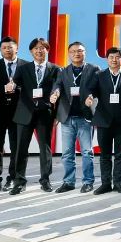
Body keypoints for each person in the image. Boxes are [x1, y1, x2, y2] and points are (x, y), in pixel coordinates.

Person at [9, 38, 59, 195]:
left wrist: (56, 114)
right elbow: (14, 84)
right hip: (25, 113)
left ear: (47, 50)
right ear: (31, 51)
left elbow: (58, 90)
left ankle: (45, 180)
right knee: (21, 149)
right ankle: (19, 182)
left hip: (45, 113)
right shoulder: (23, 68)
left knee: (45, 149)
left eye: (42, 48)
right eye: (36, 48)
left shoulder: (55, 69)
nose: (39, 51)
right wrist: (11, 85)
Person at [50, 42, 98, 193]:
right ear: (69, 54)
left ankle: (88, 182)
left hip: (85, 117)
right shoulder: (63, 71)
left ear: (85, 53)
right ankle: (68, 182)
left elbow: (98, 88)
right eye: (73, 51)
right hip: (67, 118)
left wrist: (92, 96)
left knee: (87, 152)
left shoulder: (94, 69)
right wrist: (55, 93)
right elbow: (57, 85)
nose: (77, 54)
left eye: (80, 51)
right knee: (67, 153)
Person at [89, 46, 121, 195]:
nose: (114, 60)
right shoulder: (99, 75)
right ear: (107, 59)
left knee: (120, 154)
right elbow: (92, 90)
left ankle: (118, 183)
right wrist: (90, 96)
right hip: (103, 120)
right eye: (111, 57)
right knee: (105, 155)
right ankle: (105, 184)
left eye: (117, 57)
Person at [0, 37, 28, 192]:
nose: (8, 50)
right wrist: (2, 89)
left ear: (17, 48)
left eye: (10, 47)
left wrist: (16, 88)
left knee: (16, 147)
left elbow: (29, 88)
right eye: (4, 48)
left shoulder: (25, 66)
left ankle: (13, 177)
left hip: (18, 112)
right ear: (0, 50)